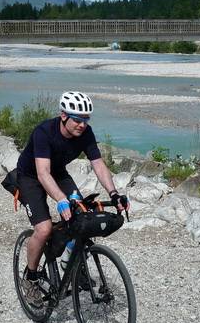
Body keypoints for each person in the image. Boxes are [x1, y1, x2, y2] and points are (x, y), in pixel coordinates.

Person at [14, 91, 129, 304]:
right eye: (77, 120)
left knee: (82, 216)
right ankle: (30, 278)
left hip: (58, 173)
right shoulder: (44, 132)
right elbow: (42, 173)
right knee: (44, 229)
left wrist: (114, 194)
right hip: (31, 177)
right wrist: (60, 199)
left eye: (86, 120)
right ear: (64, 115)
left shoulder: (86, 133)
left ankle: (71, 262)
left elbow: (98, 164)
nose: (82, 125)